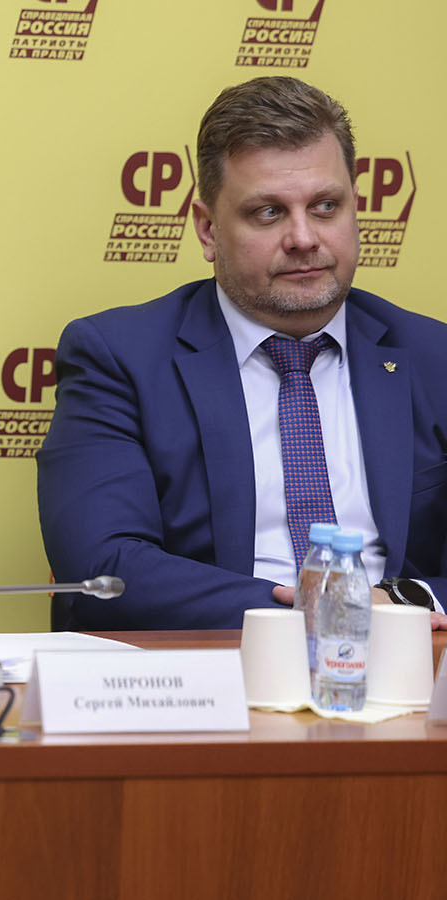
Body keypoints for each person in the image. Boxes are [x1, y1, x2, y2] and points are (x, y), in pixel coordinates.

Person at [38, 76, 447, 630]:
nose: (304, 238)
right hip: (212, 661)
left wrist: (403, 602)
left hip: (406, 659)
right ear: (208, 229)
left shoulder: (433, 357)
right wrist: (327, 615)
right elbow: (104, 571)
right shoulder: (118, 358)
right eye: (268, 213)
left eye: (326, 206)